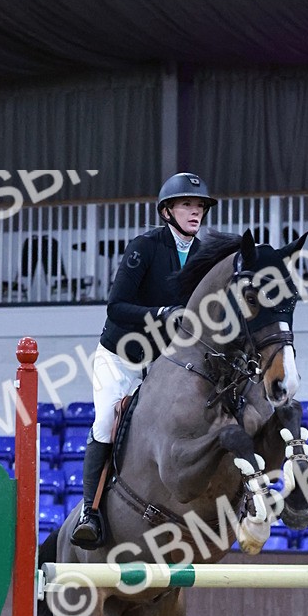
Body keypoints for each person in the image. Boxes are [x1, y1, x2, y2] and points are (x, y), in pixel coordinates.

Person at [71, 171, 217, 547]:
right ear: (167, 210)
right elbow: (116, 306)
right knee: (106, 421)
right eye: (187, 204)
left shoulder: (203, 255)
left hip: (160, 365)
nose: (195, 211)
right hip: (119, 357)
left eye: (199, 206)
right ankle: (90, 512)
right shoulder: (145, 246)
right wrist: (165, 312)